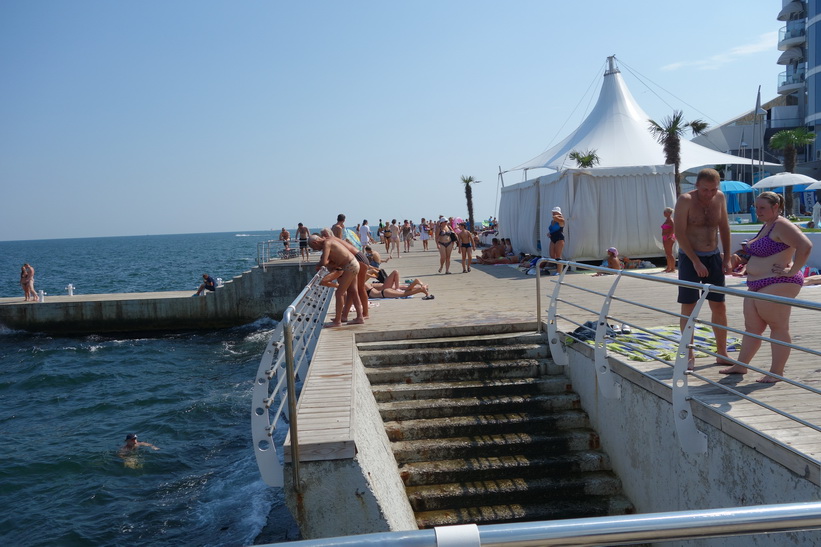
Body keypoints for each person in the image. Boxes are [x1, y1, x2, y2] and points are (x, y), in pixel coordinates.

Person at [719, 192, 812, 383]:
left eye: (762, 207)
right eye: (756, 207)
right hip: (757, 283)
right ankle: (741, 365)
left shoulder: (782, 225)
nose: (757, 211)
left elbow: (806, 246)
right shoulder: (768, 225)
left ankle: (776, 372)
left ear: (776, 207)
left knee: (778, 327)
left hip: (778, 282)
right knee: (752, 328)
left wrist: (792, 270)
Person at [674, 168, 732, 369]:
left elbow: (724, 227)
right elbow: (679, 233)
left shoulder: (720, 198)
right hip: (690, 257)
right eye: (705, 189)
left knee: (719, 304)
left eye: (713, 190)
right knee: (689, 305)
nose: (709, 194)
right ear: (697, 185)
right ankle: (689, 353)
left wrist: (726, 258)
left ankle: (722, 352)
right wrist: (695, 261)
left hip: (713, 256)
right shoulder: (686, 200)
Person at [309, 234, 365, 327]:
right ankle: (359, 317)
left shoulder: (327, 243)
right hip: (354, 263)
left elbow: (323, 262)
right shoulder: (330, 241)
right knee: (353, 291)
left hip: (349, 266)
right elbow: (328, 260)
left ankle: (337, 321)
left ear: (315, 242)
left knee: (339, 293)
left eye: (314, 247)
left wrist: (317, 264)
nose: (317, 250)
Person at [367, 278, 434, 300]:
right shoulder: (366, 285)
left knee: (404, 294)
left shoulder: (363, 286)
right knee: (405, 292)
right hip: (384, 292)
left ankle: (421, 289)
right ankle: (417, 285)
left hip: (384, 294)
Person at [548, 206, 565, 275]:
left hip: (559, 238)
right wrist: (549, 233)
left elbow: (556, 218)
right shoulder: (552, 221)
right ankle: (558, 267)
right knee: (552, 255)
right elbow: (552, 229)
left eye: (554, 212)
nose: (553, 214)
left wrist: (558, 215)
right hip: (552, 238)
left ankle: (559, 271)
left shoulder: (561, 220)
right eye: (553, 212)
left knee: (558, 256)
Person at [661, 207, 676, 273]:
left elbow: (674, 228)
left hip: (669, 237)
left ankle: (673, 268)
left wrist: (669, 236)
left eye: (665, 212)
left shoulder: (671, 220)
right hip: (665, 237)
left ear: (669, 213)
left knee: (669, 253)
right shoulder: (667, 220)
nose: (664, 213)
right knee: (667, 253)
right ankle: (668, 267)